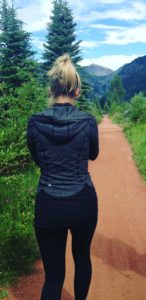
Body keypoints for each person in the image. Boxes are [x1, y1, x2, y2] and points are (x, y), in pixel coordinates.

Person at [27, 54, 99, 300]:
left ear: (50, 89)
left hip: (48, 202)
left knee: (54, 276)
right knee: (82, 258)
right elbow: (94, 154)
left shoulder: (35, 123)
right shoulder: (88, 121)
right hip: (83, 200)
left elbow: (37, 158)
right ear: (77, 91)